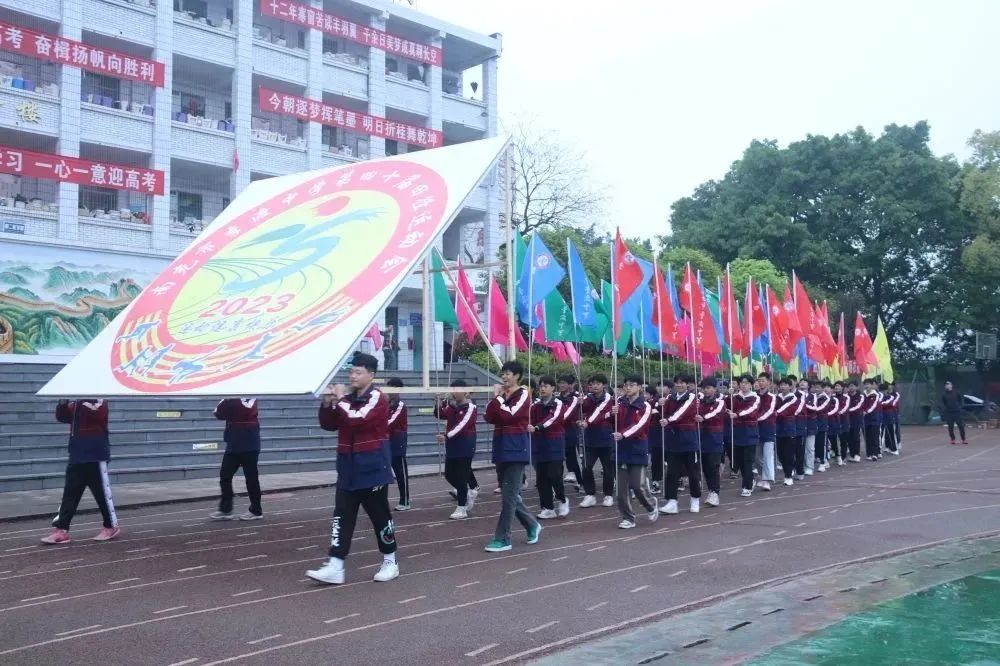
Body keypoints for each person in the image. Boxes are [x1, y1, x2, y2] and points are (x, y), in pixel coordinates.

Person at [306, 352, 398, 585]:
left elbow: (358, 419)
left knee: (380, 517)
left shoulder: (378, 398)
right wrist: (327, 405)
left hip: (372, 468)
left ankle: (390, 560)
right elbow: (329, 425)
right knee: (342, 517)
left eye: (358, 372)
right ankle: (336, 565)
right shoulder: (347, 399)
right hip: (347, 469)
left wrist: (340, 400)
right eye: (351, 371)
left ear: (371, 375)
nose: (353, 375)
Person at [42, 398, 119, 544]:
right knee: (69, 494)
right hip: (76, 455)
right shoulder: (76, 404)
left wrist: (82, 402)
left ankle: (110, 526)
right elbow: (62, 417)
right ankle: (61, 530)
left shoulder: (99, 400)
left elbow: (96, 414)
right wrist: (63, 404)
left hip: (96, 456)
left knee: (102, 495)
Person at [483, 360, 542, 552]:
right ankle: (532, 524)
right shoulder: (504, 396)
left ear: (517, 375)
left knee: (508, 496)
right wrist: (498, 400)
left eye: (508, 373)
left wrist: (499, 399)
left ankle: (503, 538)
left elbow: (509, 415)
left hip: (516, 449)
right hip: (501, 447)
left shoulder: (524, 394)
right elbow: (489, 416)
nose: (504, 377)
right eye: (503, 374)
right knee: (510, 494)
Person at [612, 374, 659, 528]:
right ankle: (628, 518)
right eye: (626, 385)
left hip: (637, 448)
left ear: (639, 387)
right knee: (621, 490)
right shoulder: (620, 403)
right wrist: (612, 414)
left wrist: (624, 434)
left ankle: (651, 504)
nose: (628, 388)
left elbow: (640, 425)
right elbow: (611, 422)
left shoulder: (645, 406)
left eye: (632, 385)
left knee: (637, 485)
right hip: (621, 449)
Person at [209, 397, 263, 521]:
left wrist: (230, 402)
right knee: (225, 476)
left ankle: (256, 510)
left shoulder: (249, 397)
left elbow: (246, 408)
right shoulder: (230, 397)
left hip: (249, 444)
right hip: (233, 444)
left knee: (251, 479)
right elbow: (218, 413)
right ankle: (226, 509)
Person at [435, 379, 478, 520]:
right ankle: (467, 493)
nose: (454, 392)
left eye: (457, 389)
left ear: (466, 391)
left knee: (461, 477)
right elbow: (439, 414)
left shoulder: (470, 407)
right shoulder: (452, 406)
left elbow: (462, 426)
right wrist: (438, 401)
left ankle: (462, 508)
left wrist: (446, 436)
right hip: (452, 446)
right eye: (452, 389)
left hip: (465, 445)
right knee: (449, 474)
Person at [660, 374, 701, 513]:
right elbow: (660, 412)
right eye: (677, 382)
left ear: (687, 384)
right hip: (673, 441)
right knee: (671, 473)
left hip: (689, 440)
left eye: (682, 382)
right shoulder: (669, 398)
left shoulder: (692, 397)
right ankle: (672, 501)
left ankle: (695, 498)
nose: (679, 385)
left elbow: (682, 412)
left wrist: (668, 420)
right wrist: (659, 405)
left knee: (693, 473)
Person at [529, 376, 569, 519]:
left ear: (553, 388)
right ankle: (547, 508)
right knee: (541, 479)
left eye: (546, 386)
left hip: (554, 444)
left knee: (555, 475)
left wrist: (537, 427)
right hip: (539, 445)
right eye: (541, 386)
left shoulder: (558, 404)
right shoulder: (535, 406)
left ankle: (562, 499)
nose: (542, 388)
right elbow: (529, 420)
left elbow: (553, 419)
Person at [579, 373, 616, 508]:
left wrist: (587, 422)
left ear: (604, 385)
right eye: (592, 384)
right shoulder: (588, 397)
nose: (594, 386)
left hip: (605, 438)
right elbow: (584, 407)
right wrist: (580, 403)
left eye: (598, 383)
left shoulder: (608, 398)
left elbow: (599, 414)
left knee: (608, 469)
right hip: (590, 439)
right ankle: (590, 495)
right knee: (586, 467)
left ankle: (608, 495)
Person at [727, 374, 761, 496]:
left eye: (746, 383)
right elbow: (725, 406)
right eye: (741, 382)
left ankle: (747, 486)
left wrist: (737, 414)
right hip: (737, 432)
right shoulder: (735, 397)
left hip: (750, 432)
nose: (743, 385)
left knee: (748, 460)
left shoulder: (755, 397)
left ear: (751, 385)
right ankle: (750, 479)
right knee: (739, 461)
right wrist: (728, 395)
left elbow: (751, 410)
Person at [697, 379, 726, 507]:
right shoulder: (699, 403)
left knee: (713, 467)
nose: (706, 390)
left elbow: (716, 413)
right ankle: (711, 491)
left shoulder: (720, 402)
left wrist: (703, 418)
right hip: (701, 439)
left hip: (715, 439)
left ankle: (715, 493)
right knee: (706, 468)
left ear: (714, 388)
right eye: (704, 388)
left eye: (708, 388)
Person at [386, 378, 411, 511]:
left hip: (397, 441)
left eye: (391, 388)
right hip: (386, 441)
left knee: (400, 471)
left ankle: (405, 500)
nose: (388, 391)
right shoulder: (386, 404)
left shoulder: (400, 405)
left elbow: (391, 421)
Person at [558, 375, 585, 490]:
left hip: (570, 430)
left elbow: (566, 415)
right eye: (560, 383)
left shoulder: (575, 399)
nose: (561, 385)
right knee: (558, 458)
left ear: (570, 385)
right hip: (557, 430)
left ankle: (581, 481)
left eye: (564, 383)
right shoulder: (557, 398)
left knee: (571, 457)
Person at [755, 373, 777, 491]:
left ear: (768, 382)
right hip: (755, 429)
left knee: (768, 455)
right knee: (756, 457)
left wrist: (755, 418)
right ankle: (762, 475)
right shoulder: (754, 396)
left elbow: (769, 411)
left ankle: (767, 480)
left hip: (768, 428)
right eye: (759, 381)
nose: (760, 383)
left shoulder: (772, 397)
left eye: (763, 381)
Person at [774, 378, 798, 485]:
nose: (782, 387)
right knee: (780, 454)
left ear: (790, 387)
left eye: (785, 385)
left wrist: (775, 413)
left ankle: (788, 476)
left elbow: (785, 409)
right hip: (778, 429)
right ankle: (788, 470)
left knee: (788, 453)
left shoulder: (793, 398)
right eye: (781, 385)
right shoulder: (777, 397)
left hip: (789, 429)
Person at [808, 380, 831, 472]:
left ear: (822, 388)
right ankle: (816, 459)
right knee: (814, 444)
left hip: (822, 424)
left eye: (818, 387)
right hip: (812, 424)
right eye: (815, 387)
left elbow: (819, 409)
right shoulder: (811, 396)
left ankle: (823, 462)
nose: (816, 389)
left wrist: (808, 407)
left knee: (822, 444)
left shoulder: (826, 398)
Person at [645, 384, 664, 493]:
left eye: (645, 393)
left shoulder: (657, 402)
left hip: (657, 435)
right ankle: (654, 482)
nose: (643, 395)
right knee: (653, 459)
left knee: (657, 459)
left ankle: (656, 482)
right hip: (649, 434)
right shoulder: (647, 403)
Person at [862, 378, 883, 461]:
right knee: (867, 437)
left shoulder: (876, 395)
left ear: (872, 385)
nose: (867, 386)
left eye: (868, 384)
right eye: (865, 384)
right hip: (865, 419)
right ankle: (869, 453)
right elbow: (861, 404)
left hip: (874, 418)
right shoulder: (863, 394)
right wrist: (862, 411)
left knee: (874, 436)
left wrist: (866, 411)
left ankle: (875, 453)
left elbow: (873, 406)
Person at [941, 381, 967, 446]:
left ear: (951, 385)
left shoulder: (956, 393)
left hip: (957, 412)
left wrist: (960, 407)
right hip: (949, 413)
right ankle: (952, 439)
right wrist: (945, 409)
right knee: (950, 427)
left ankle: (963, 439)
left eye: (948, 384)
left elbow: (960, 400)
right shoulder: (944, 394)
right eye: (946, 385)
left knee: (961, 426)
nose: (947, 386)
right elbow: (943, 403)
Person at [847, 381, 864, 462]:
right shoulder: (847, 396)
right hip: (848, 420)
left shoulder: (860, 396)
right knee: (849, 438)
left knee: (856, 437)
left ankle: (857, 454)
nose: (851, 388)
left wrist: (847, 410)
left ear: (857, 387)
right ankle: (852, 454)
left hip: (857, 420)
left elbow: (858, 406)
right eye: (850, 386)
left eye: (853, 386)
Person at [827, 382, 844, 465]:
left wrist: (825, 414)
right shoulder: (820, 398)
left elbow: (835, 410)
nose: (826, 389)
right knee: (825, 441)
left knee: (834, 440)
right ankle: (825, 460)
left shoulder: (834, 399)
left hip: (833, 422)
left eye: (828, 387)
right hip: (823, 422)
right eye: (824, 387)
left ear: (831, 390)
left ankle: (838, 456)